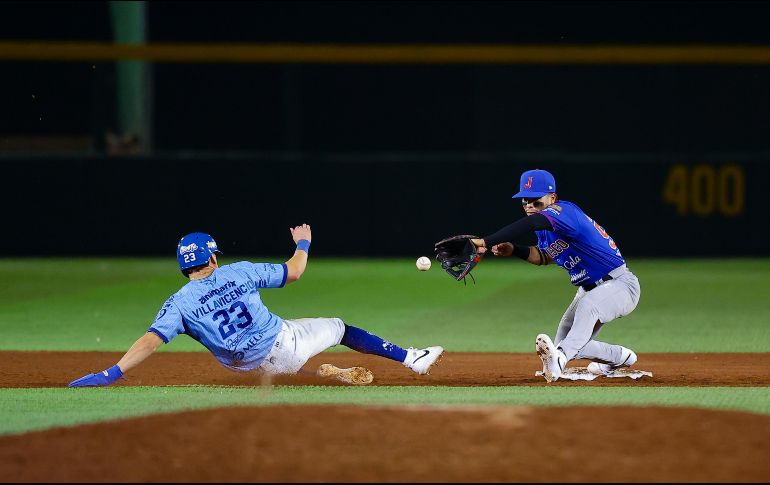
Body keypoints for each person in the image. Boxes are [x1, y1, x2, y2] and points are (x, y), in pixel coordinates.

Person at [68, 225, 443, 387]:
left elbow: (149, 341)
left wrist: (111, 373)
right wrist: (304, 243)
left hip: (244, 365)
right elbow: (294, 272)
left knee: (284, 348)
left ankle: (327, 374)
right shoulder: (239, 272)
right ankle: (413, 358)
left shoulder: (177, 304)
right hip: (284, 345)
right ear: (211, 257)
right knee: (340, 327)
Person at [470, 169, 641, 382]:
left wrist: (486, 241)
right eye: (525, 202)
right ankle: (621, 357)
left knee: (583, 316)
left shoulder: (565, 211)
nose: (530, 206)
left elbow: (532, 223)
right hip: (589, 290)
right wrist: (514, 249)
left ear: (552, 198)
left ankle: (558, 361)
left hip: (620, 285)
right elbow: (544, 256)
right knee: (569, 343)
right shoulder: (545, 229)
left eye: (536, 201)